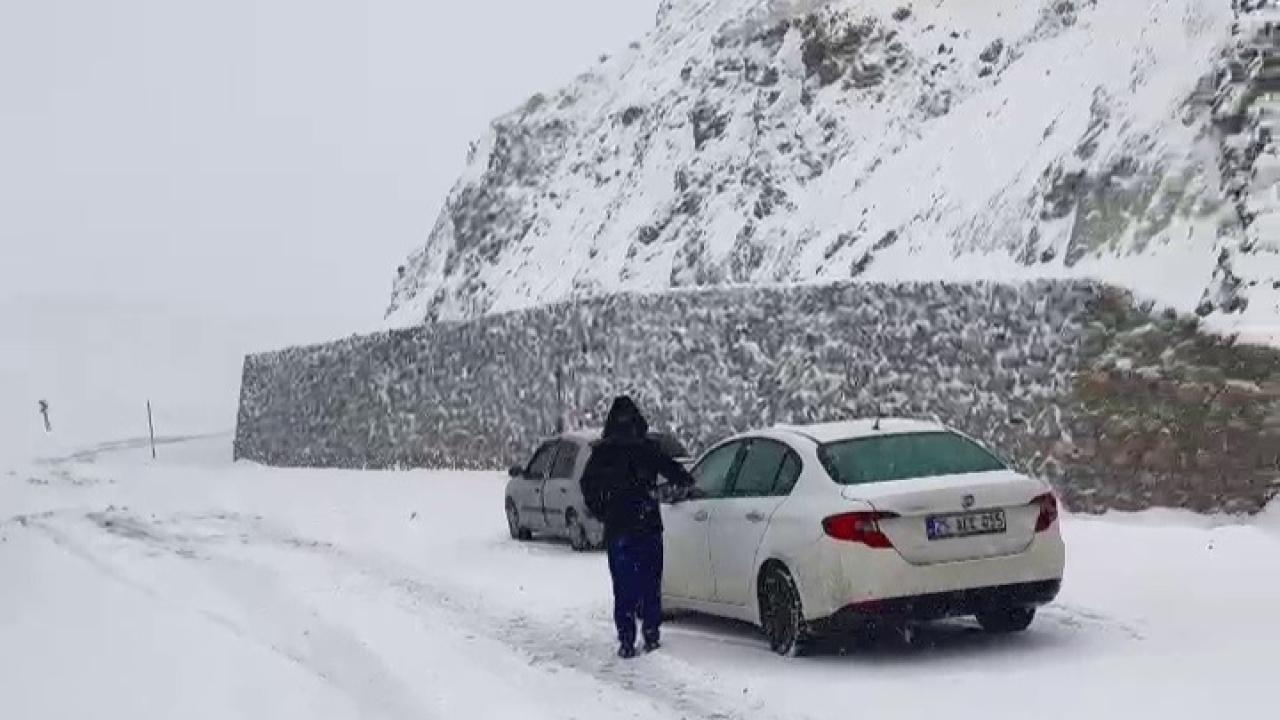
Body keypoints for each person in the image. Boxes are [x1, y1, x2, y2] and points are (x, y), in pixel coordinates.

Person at [580, 396, 696, 658]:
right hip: (648, 525)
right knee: (650, 585)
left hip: (619, 527)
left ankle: (627, 640)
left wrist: (602, 511)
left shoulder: (603, 453)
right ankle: (651, 634)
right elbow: (674, 471)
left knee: (624, 588)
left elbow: (587, 486)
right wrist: (688, 484)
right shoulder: (647, 448)